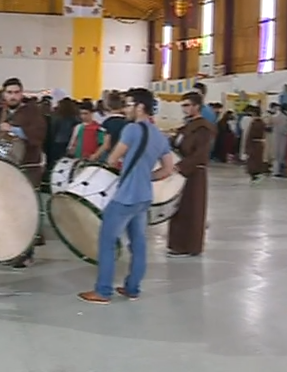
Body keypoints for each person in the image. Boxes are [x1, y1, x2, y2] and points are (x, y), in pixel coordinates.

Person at [78, 88, 175, 304]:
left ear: (140, 107)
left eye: (129, 105)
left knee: (107, 241)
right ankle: (133, 288)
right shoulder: (159, 136)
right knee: (138, 243)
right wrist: (146, 177)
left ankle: (103, 291)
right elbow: (168, 169)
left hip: (125, 197)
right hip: (144, 197)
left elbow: (112, 159)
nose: (125, 109)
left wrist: (121, 165)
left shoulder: (132, 129)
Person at [0, 77, 47, 266]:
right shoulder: (2, 112)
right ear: (4, 94)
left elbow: (39, 134)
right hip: (8, 167)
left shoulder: (32, 112)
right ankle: (10, 249)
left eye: (16, 92)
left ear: (22, 93)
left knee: (26, 211)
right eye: (9, 92)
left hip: (28, 168)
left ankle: (26, 253)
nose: (13, 96)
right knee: (9, 211)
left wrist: (14, 130)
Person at [166, 91, 216, 257]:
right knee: (178, 208)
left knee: (192, 209)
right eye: (183, 105)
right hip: (181, 171)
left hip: (194, 173)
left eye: (187, 105)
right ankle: (177, 244)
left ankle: (189, 245)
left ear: (197, 106)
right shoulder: (186, 126)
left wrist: (181, 166)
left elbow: (201, 153)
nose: (184, 108)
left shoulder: (203, 128)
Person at [243, 106, 266, 184]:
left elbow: (250, 135)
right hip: (259, 144)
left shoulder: (254, 123)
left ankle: (255, 175)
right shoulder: (262, 122)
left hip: (253, 144)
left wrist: (246, 147)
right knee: (257, 160)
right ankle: (257, 174)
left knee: (252, 160)